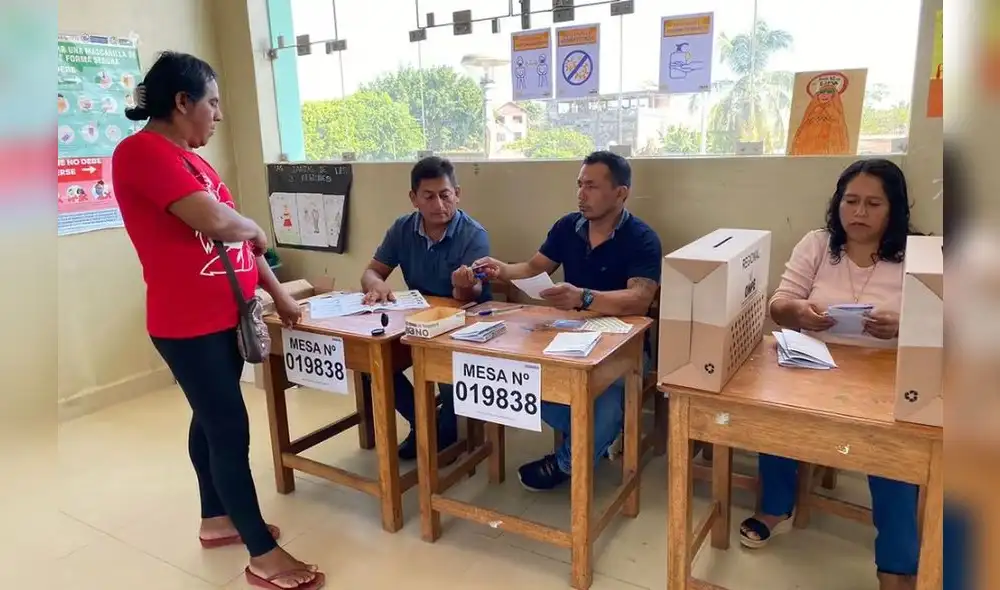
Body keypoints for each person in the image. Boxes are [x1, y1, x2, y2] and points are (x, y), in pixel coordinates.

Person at [112, 51, 323, 590]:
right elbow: (218, 221)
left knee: (210, 420)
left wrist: (280, 295)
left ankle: (216, 519)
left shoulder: (195, 162)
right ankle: (262, 553)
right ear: (181, 103)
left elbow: (245, 248)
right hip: (187, 326)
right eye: (211, 102)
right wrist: (248, 224)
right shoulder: (139, 153)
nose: (218, 114)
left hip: (227, 316)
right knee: (229, 428)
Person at [739, 159, 919, 590]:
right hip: (815, 358)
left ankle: (896, 564)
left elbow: (950, 323)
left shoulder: (919, 253)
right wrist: (800, 313)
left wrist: (905, 324)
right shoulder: (818, 244)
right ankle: (777, 506)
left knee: (895, 450)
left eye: (873, 203)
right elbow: (779, 304)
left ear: (894, 209)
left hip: (887, 371)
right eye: (850, 201)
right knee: (777, 412)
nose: (859, 212)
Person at [473, 151, 661, 491]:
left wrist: (584, 297)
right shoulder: (566, 227)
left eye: (591, 186)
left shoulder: (642, 238)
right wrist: (499, 268)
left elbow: (640, 298)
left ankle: (567, 462)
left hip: (624, 345)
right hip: (569, 334)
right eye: (579, 185)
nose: (581, 194)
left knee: (606, 395)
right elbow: (533, 268)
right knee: (518, 372)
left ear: (621, 193)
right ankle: (593, 436)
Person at [359, 156, 490, 460]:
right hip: (416, 321)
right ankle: (423, 423)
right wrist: (376, 284)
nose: (439, 204)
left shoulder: (474, 234)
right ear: (414, 199)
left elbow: (474, 294)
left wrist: (463, 283)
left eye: (445, 195)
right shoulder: (402, 229)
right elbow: (371, 271)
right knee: (373, 363)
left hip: (464, 323)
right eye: (428, 196)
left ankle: (442, 435)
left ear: (457, 193)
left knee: (446, 376)